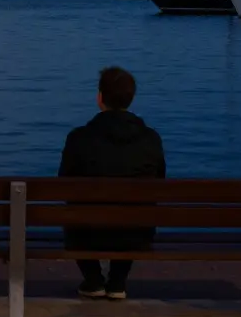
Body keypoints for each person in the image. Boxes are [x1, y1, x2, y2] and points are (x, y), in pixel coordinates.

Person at [58, 66, 166, 300]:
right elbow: (159, 183)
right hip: (136, 234)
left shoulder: (78, 138)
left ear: (99, 98)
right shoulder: (151, 139)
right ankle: (117, 281)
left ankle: (94, 279)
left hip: (87, 233)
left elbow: (63, 184)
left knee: (75, 213)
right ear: (131, 98)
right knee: (134, 212)